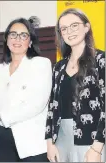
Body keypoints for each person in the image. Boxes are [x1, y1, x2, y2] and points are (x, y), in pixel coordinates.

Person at [0, 18, 52, 162]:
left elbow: (37, 104)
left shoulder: (41, 64)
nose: (17, 39)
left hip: (30, 142)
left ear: (30, 41)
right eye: (13, 34)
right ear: (6, 39)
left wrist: (0, 115)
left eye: (23, 35)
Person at [45, 8, 105, 162]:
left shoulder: (101, 60)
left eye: (74, 25)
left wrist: (96, 148)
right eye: (64, 29)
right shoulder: (58, 67)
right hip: (60, 141)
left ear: (86, 27)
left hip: (92, 139)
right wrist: (49, 143)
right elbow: (52, 107)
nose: (69, 31)